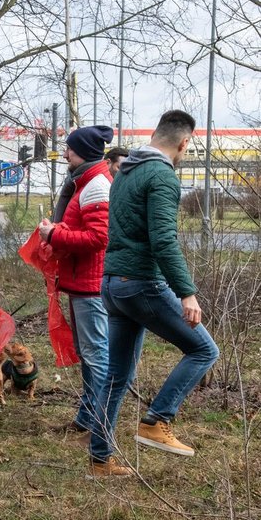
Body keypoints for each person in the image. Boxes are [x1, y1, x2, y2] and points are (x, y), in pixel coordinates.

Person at [89, 110, 218, 476]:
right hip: (141, 283)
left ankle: (100, 460)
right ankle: (156, 421)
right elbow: (163, 241)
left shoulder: (125, 172)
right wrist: (186, 293)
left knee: (116, 376)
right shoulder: (161, 175)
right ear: (183, 142)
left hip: (113, 285)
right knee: (204, 349)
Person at [37, 125, 114, 444]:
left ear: (83, 151)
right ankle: (86, 418)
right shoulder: (85, 182)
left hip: (92, 286)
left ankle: (98, 425)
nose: (65, 152)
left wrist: (53, 235)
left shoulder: (96, 185)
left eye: (70, 148)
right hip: (82, 283)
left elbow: (99, 237)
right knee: (89, 353)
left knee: (96, 356)